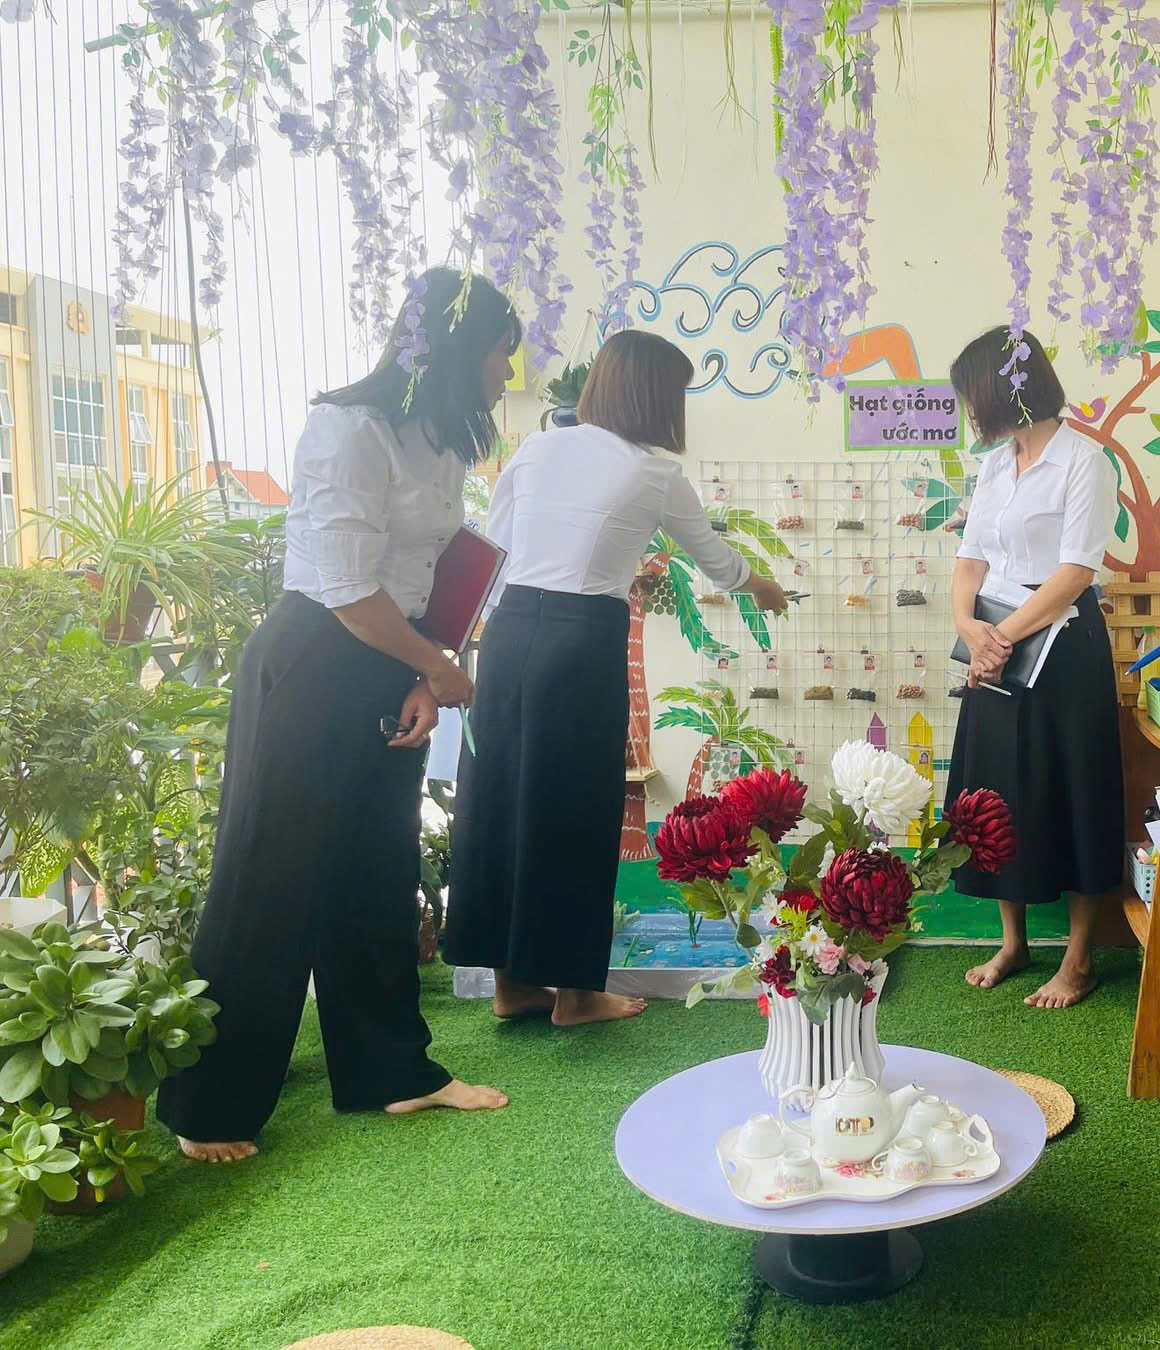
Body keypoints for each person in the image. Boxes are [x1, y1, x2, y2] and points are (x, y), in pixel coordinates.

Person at [157, 268, 520, 1162]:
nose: (507, 374)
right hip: (314, 661)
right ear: (458, 351)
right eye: (500, 355)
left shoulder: (442, 442)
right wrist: (435, 666)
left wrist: (423, 678)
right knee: (269, 876)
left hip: (389, 661)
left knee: (376, 868)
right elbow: (348, 589)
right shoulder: (347, 429)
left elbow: (431, 575)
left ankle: (393, 1070)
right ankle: (208, 1108)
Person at [443, 330, 788, 1025]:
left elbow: (494, 550)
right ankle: (576, 994)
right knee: (577, 808)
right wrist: (764, 587)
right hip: (580, 641)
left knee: (503, 799)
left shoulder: (536, 449)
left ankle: (511, 987)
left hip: (508, 632)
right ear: (657, 396)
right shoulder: (654, 473)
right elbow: (716, 560)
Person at [945, 327, 1124, 1009]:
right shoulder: (996, 466)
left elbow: (1076, 571)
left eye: (973, 396)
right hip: (995, 642)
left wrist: (999, 638)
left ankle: (1078, 960)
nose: (970, 411)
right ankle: (1013, 942)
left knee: (1072, 788)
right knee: (997, 792)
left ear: (1004, 390)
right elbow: (970, 558)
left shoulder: (1085, 462)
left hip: (1063, 646)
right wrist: (968, 627)